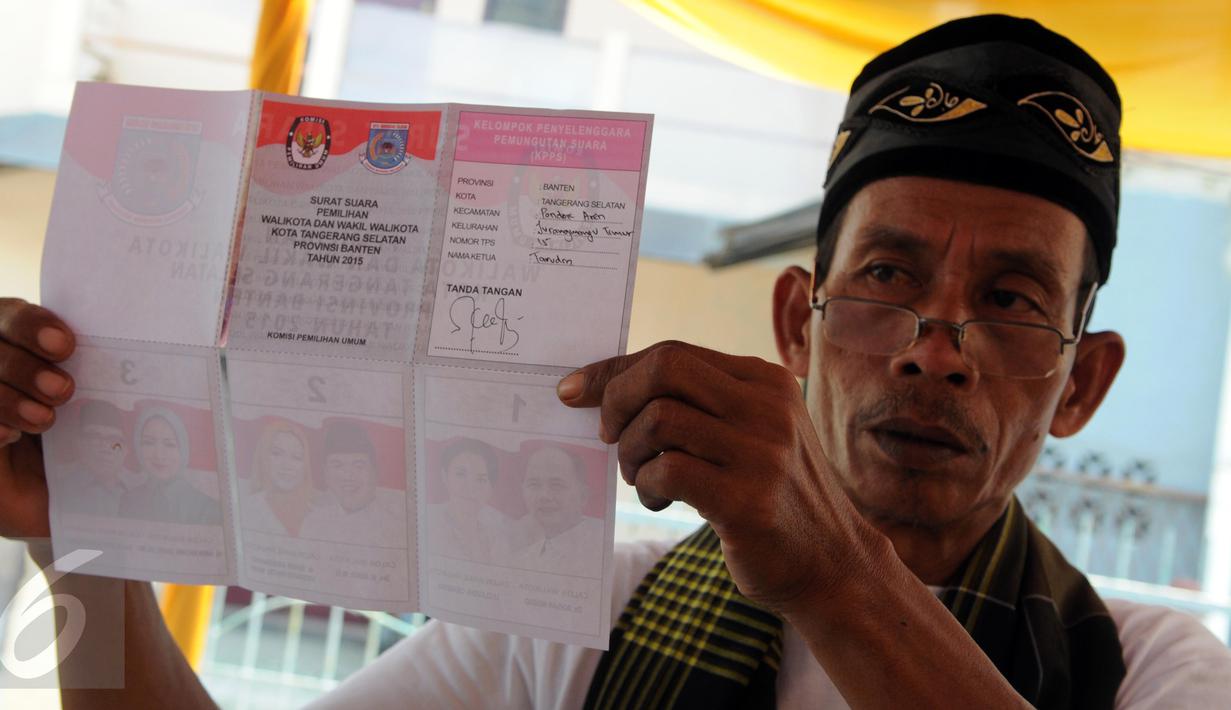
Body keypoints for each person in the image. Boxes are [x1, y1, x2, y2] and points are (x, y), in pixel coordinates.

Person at [1, 13, 1230, 709]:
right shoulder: (579, 613)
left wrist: (835, 574)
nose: (933, 354)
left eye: (1011, 299)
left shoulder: (1153, 670)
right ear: (797, 322)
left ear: (1082, 381)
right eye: (889, 277)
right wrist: (84, 540)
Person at [301, 419, 406, 549]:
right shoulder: (313, 522)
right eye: (337, 465)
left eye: (358, 465)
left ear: (375, 471)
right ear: (325, 472)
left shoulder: (397, 526)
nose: (348, 476)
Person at [509, 445, 604, 578]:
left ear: (583, 496)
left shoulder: (603, 550)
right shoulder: (521, 561)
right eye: (534, 484)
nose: (544, 496)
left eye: (556, 485)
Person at [118, 406, 222, 526]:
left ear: (183, 450)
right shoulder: (129, 500)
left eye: (170, 444)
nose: (159, 455)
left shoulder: (207, 508)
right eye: (149, 443)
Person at [424, 437, 511, 564]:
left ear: (490, 488)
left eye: (480, 480)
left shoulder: (499, 530)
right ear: (444, 477)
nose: (470, 487)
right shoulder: (428, 518)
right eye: (460, 474)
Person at [56, 399, 132, 517]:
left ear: (127, 449)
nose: (105, 448)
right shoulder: (58, 488)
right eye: (95, 438)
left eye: (114, 439)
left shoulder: (140, 489)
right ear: (78, 442)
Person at [239, 419, 314, 536]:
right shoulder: (245, 508)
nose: (287, 465)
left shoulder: (319, 515)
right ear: (263, 457)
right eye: (277, 453)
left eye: (297, 457)